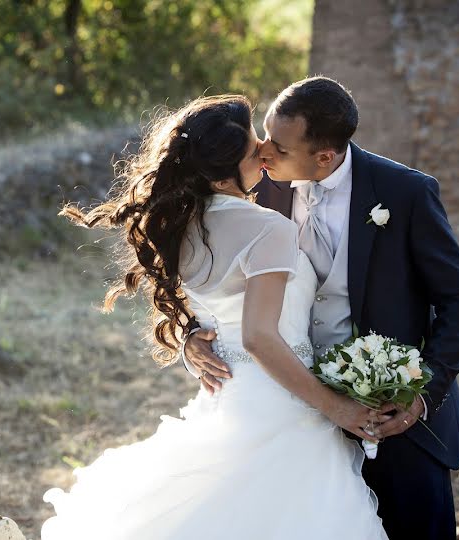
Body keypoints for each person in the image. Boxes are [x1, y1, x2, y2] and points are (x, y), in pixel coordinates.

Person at [41, 94, 388, 539]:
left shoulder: (180, 228)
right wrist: (334, 406)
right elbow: (259, 338)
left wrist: (190, 341)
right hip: (287, 409)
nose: (264, 153)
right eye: (252, 150)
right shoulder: (268, 229)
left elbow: (210, 313)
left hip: (231, 398)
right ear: (224, 168)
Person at [183, 77, 459, 540]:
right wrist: (191, 338)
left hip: (395, 415)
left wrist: (423, 394)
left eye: (278, 148)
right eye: (263, 136)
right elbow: (211, 273)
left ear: (324, 155)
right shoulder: (256, 187)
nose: (262, 152)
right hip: (295, 415)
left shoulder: (405, 192)